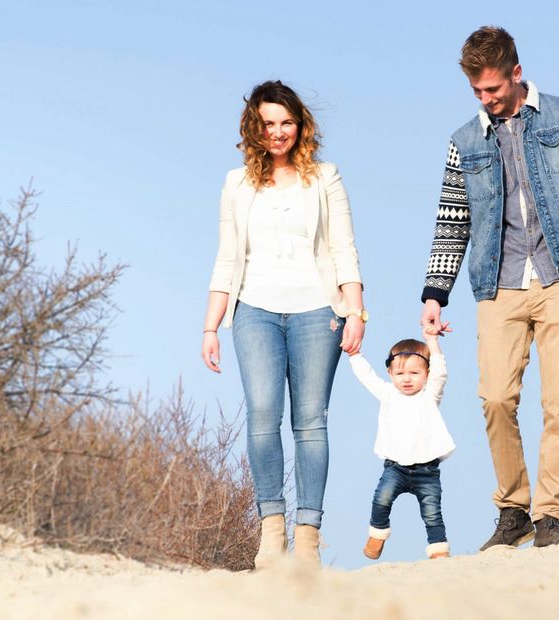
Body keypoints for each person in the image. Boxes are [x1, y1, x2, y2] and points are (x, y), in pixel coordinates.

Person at [420, 27, 559, 550]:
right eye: (477, 91)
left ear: (516, 74)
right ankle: (513, 507)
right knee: (496, 397)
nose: (486, 99)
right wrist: (435, 292)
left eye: (493, 88)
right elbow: (452, 223)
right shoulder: (464, 141)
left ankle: (548, 516)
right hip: (499, 282)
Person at [202, 80, 367, 569]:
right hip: (254, 310)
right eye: (268, 124)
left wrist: (355, 311)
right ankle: (271, 534)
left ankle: (309, 539)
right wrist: (211, 326)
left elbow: (343, 248)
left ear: (301, 125)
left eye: (286, 123)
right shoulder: (236, 183)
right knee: (262, 416)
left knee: (311, 423)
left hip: (319, 311)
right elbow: (228, 258)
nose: (278, 133)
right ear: (255, 128)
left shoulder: (326, 177)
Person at [348, 329, 455, 561]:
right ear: (390, 373)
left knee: (432, 513)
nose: (406, 379)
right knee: (381, 499)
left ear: (427, 373)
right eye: (399, 373)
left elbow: (441, 373)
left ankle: (438, 551)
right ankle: (377, 534)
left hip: (427, 471)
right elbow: (368, 377)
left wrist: (432, 341)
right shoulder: (388, 394)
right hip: (395, 468)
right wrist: (354, 355)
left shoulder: (430, 395)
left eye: (415, 372)